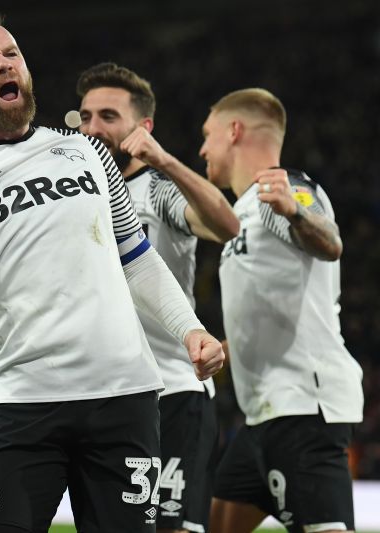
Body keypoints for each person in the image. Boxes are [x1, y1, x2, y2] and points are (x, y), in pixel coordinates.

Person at [0, 13, 225, 533]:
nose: (5, 64)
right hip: (19, 401)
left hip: (122, 397)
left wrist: (188, 327)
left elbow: (135, 254)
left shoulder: (84, 150)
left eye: (11, 53)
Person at [75, 62, 239, 533]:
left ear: (142, 128)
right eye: (85, 116)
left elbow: (227, 226)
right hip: (107, 395)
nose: (93, 128)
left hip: (173, 392)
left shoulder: (158, 191)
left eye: (108, 116)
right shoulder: (76, 195)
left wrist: (163, 159)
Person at [201, 88, 363, 533]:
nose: (202, 149)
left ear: (234, 131)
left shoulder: (284, 188)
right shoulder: (245, 210)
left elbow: (329, 241)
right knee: (210, 525)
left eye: (208, 135)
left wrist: (295, 211)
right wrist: (225, 350)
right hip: (262, 415)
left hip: (303, 408)